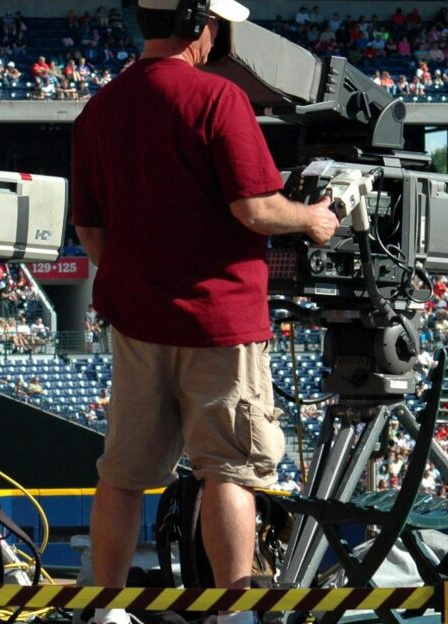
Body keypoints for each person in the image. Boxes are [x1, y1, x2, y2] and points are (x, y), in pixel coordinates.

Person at [69, 0, 340, 623]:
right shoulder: (217, 98)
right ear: (200, 25)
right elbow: (255, 208)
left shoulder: (99, 108)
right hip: (219, 324)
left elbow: (90, 232)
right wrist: (313, 219)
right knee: (229, 471)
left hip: (136, 323)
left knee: (123, 474)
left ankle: (107, 614)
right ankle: (234, 612)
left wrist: (141, 281)